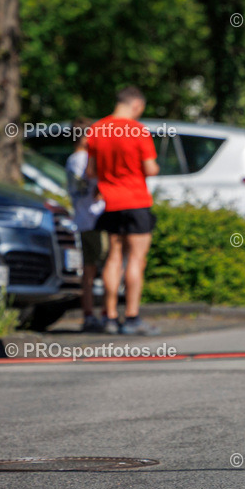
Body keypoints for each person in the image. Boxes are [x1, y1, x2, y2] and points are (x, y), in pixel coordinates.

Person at [85, 87, 161, 336]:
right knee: (136, 260)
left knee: (113, 258)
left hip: (110, 203)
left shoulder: (96, 129)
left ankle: (109, 316)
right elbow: (150, 169)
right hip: (136, 201)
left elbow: (90, 172)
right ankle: (131, 317)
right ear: (137, 105)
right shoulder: (138, 130)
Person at [65, 117, 107, 332]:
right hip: (93, 219)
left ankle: (91, 313)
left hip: (84, 220)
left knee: (90, 271)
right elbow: (96, 184)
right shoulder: (82, 159)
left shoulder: (73, 159)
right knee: (100, 268)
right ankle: (100, 314)